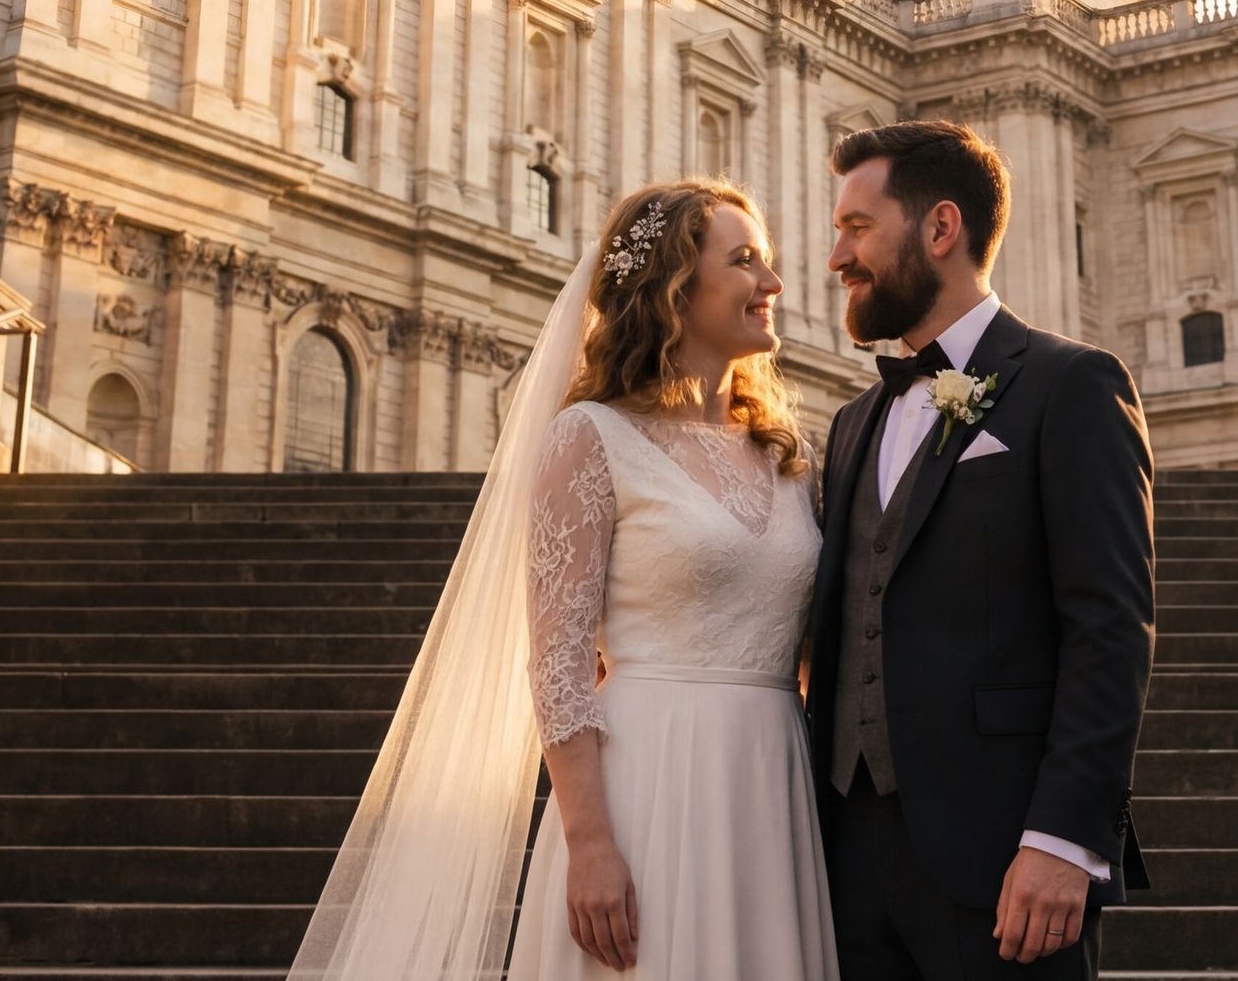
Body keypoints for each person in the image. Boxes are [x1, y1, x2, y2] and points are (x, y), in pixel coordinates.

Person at [288, 180, 837, 981]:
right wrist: (589, 843)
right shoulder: (590, 439)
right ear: (675, 288)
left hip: (773, 784)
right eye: (746, 261)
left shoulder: (790, 456)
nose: (774, 285)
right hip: (648, 783)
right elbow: (559, 661)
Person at [812, 120, 1155, 980]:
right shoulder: (853, 424)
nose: (836, 257)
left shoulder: (1072, 383)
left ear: (940, 229)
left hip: (1008, 862)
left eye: (857, 228)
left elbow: (1110, 629)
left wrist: (1064, 839)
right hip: (845, 864)